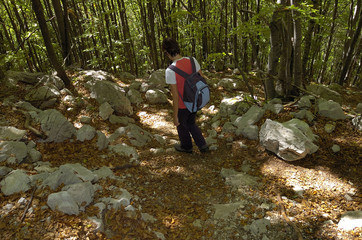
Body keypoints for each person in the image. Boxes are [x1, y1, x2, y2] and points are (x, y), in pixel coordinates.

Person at [162, 38, 209, 153]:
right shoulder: (193, 60)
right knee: (191, 122)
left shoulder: (170, 70)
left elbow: (176, 96)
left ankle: (186, 146)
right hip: (196, 99)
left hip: (183, 104)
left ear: (167, 53)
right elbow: (201, 79)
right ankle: (202, 145)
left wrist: (175, 115)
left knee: (181, 125)